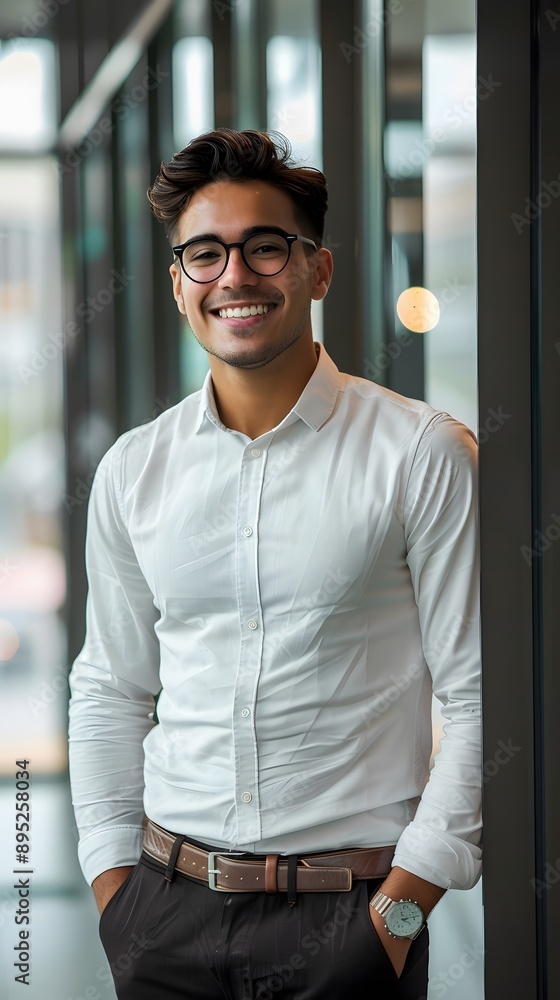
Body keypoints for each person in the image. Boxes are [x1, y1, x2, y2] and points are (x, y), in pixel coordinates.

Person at [68, 128, 482, 1000]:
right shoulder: (133, 471)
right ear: (180, 283)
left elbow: (480, 697)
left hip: (354, 923)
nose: (235, 276)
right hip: (163, 917)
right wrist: (115, 894)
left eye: (266, 247)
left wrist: (398, 922)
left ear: (317, 271)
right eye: (205, 253)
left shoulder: (422, 452)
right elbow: (110, 688)